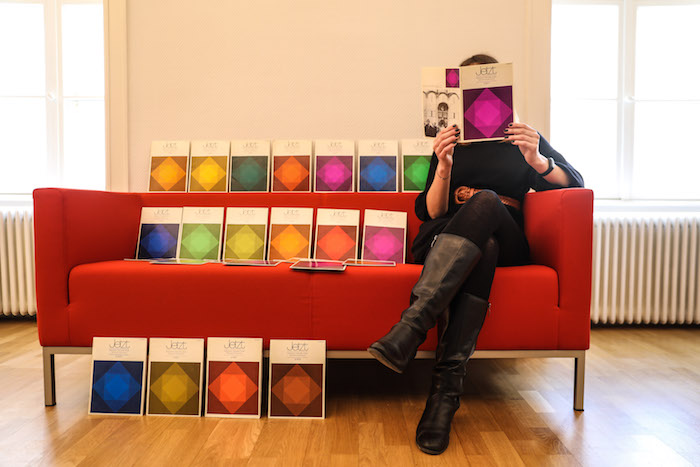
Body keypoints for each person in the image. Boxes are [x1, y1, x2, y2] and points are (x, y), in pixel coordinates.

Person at [368, 54, 584, 455]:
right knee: (483, 247)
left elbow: (575, 183)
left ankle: (412, 326)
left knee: (486, 202)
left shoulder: (522, 138)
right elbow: (431, 211)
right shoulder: (451, 139)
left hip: (510, 236)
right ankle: (444, 396)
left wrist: (537, 160)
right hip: (450, 235)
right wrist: (444, 165)